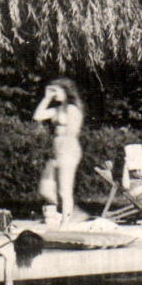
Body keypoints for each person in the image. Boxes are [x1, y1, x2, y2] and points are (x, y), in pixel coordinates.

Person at [32, 77, 84, 223]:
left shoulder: (72, 109)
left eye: (56, 90)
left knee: (64, 190)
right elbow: (37, 116)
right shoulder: (58, 109)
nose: (54, 94)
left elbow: (72, 132)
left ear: (66, 91)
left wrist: (62, 154)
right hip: (57, 151)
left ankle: (65, 223)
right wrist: (46, 98)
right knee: (45, 189)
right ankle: (72, 212)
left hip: (68, 150)